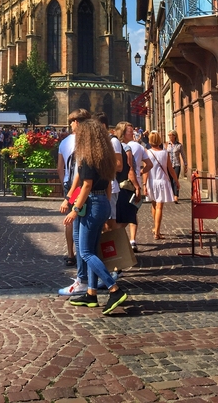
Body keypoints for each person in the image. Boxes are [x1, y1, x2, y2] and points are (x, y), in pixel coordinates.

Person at [61, 118, 128, 315]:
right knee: (93, 251)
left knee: (85, 252)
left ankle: (114, 289)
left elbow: (86, 185)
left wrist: (75, 209)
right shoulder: (104, 156)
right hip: (102, 203)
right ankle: (91, 293)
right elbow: (108, 184)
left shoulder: (87, 157)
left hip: (91, 204)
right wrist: (104, 205)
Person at [57, 109, 91, 278]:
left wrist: (65, 186)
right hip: (84, 185)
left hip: (71, 185)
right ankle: (86, 258)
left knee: (71, 222)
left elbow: (60, 168)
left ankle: (72, 255)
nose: (70, 125)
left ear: (77, 122)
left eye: (71, 122)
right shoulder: (90, 141)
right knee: (85, 222)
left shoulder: (65, 142)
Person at [114, 121, 152, 250]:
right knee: (128, 216)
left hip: (116, 186)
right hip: (127, 187)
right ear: (123, 133)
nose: (133, 134)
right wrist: (137, 187)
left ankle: (117, 242)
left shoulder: (114, 145)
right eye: (130, 132)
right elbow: (130, 169)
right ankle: (117, 243)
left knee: (117, 217)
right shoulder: (126, 148)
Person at [145, 130, 179, 240]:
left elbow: (146, 170)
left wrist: (144, 184)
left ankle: (155, 228)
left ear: (150, 141)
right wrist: (176, 181)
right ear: (159, 140)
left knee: (154, 205)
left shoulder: (147, 153)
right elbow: (171, 170)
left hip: (151, 181)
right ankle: (157, 232)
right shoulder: (165, 153)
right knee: (159, 206)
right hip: (162, 181)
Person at [92, 112, 122, 230]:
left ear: (103, 126)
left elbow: (119, 165)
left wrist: (98, 169)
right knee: (101, 223)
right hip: (100, 186)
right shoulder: (98, 141)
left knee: (110, 222)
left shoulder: (113, 141)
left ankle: (114, 242)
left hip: (111, 186)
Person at [166, 130, 187, 202]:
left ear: (174, 136)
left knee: (175, 180)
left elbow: (183, 155)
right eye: (169, 135)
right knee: (170, 180)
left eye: (171, 135)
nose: (169, 137)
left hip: (176, 164)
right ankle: (173, 194)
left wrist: (185, 164)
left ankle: (176, 195)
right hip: (168, 165)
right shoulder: (167, 145)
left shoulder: (179, 145)